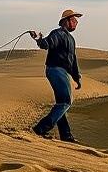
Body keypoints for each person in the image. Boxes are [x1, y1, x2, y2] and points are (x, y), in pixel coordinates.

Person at [27, 9, 83, 142]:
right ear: (66, 21)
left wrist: (77, 77)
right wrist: (38, 38)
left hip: (62, 72)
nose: (76, 23)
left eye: (76, 21)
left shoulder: (71, 39)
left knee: (61, 103)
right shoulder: (57, 33)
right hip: (56, 70)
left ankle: (66, 135)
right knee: (66, 101)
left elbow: (73, 60)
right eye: (74, 20)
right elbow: (46, 44)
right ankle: (40, 129)